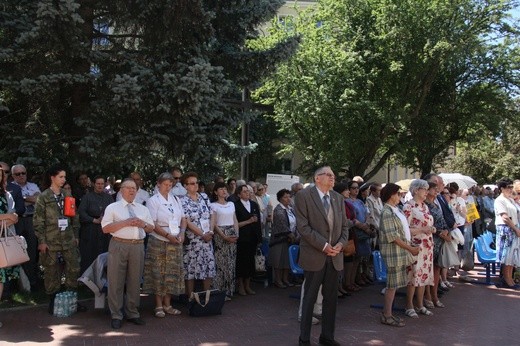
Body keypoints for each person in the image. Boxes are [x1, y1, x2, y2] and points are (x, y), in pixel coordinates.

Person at [295, 166, 349, 346]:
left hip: (335, 256)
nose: (333, 178)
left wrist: (340, 244)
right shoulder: (304, 196)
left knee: (331, 300)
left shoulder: (338, 198)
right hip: (314, 255)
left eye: (333, 175)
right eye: (329, 175)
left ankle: (327, 337)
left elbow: (344, 227)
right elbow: (303, 228)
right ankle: (304, 339)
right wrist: (325, 246)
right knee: (309, 299)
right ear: (317, 178)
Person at [102, 178, 155, 329]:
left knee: (135, 280)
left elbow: (151, 228)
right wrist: (125, 222)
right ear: (121, 190)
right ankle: (116, 314)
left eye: (134, 188)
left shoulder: (142, 209)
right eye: (129, 188)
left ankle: (132, 312)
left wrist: (142, 224)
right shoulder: (113, 207)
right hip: (119, 245)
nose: (132, 191)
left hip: (137, 246)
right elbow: (105, 229)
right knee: (116, 280)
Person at [33, 164, 85, 314]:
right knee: (51, 271)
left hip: (68, 239)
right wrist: (42, 241)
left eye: (64, 177)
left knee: (73, 269)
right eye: (61, 177)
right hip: (51, 240)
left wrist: (76, 236)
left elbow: (75, 218)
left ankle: (71, 300)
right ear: (52, 178)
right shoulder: (43, 197)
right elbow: (38, 221)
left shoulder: (67, 195)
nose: (64, 179)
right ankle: (53, 301)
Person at [143, 172, 186, 317]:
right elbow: (153, 223)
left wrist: (182, 233)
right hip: (159, 241)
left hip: (175, 240)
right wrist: (167, 235)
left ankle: (168, 304)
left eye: (170, 185)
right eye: (165, 184)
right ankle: (158, 305)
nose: (168, 187)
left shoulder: (176, 199)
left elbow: (183, 219)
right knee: (158, 272)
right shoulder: (153, 200)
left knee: (171, 273)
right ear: (158, 184)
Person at [379, 183, 419, 327]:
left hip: (399, 252)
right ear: (391, 195)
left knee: (394, 285)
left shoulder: (395, 210)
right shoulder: (387, 212)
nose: (400, 196)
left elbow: (402, 231)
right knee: (391, 285)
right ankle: (387, 315)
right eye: (398, 194)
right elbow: (393, 237)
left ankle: (388, 314)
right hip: (393, 254)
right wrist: (410, 248)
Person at [402, 179, 435, 318]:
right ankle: (409, 305)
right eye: (425, 189)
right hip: (415, 246)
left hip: (427, 246)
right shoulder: (408, 207)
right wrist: (423, 229)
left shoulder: (424, 206)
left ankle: (420, 304)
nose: (427, 192)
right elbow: (405, 230)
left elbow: (427, 223)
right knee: (413, 275)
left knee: (423, 275)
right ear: (416, 190)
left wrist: (431, 229)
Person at [180, 172, 216, 298]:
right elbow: (187, 221)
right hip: (193, 241)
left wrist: (210, 231)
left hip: (207, 240)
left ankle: (206, 296)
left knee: (208, 267)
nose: (195, 185)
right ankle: (190, 298)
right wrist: (202, 234)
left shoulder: (204, 197)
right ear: (185, 186)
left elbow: (212, 214)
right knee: (191, 269)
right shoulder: (182, 201)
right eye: (192, 183)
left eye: (196, 183)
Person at [78, 176, 114, 274]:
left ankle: (104, 280)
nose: (100, 186)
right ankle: (87, 280)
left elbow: (114, 212)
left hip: (105, 231)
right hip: (90, 230)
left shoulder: (109, 198)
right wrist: (93, 220)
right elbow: (81, 212)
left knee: (104, 254)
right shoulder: (87, 197)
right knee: (89, 255)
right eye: (98, 183)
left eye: (102, 184)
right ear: (94, 184)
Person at [423, 180, 450, 308]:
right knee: (429, 269)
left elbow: (443, 219)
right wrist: (439, 232)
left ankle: (434, 295)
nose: (436, 191)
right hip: (431, 239)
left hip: (440, 240)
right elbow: (426, 224)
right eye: (433, 189)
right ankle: (428, 296)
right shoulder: (425, 205)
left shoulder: (435, 204)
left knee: (437, 268)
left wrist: (446, 231)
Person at [210, 182, 239, 300]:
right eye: (220, 189)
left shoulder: (231, 204)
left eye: (225, 189)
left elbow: (235, 219)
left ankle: (229, 290)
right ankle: (219, 291)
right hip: (220, 234)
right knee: (220, 263)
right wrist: (223, 235)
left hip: (232, 231)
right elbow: (214, 223)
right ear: (216, 192)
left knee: (231, 262)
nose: (223, 191)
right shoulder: (213, 205)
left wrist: (236, 233)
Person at [0, 168, 20, 328]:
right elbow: (9, 216)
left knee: (0, 279)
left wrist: (6, 218)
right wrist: (6, 217)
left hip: (2, 242)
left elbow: (14, 217)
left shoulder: (7, 195)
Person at [234, 184, 262, 296]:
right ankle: (240, 285)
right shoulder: (235, 205)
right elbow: (235, 223)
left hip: (253, 237)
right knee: (241, 262)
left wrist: (259, 237)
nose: (248, 193)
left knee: (250, 261)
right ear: (239, 194)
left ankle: (248, 285)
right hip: (242, 238)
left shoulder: (254, 204)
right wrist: (248, 221)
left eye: (249, 191)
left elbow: (258, 222)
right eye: (245, 191)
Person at [494, 179, 520, 288]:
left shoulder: (509, 199)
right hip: (506, 229)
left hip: (513, 228)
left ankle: (510, 278)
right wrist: (515, 229)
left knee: (511, 256)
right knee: (506, 255)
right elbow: (504, 217)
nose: (510, 189)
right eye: (508, 187)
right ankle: (506, 279)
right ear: (502, 189)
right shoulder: (499, 200)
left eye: (511, 187)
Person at [269, 188, 297, 288]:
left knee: (287, 261)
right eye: (285, 197)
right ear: (280, 199)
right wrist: (290, 234)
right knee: (279, 261)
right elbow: (282, 225)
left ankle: (285, 279)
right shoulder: (278, 210)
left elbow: (295, 222)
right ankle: (278, 280)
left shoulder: (291, 209)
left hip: (290, 239)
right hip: (279, 239)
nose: (288, 199)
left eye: (289, 196)